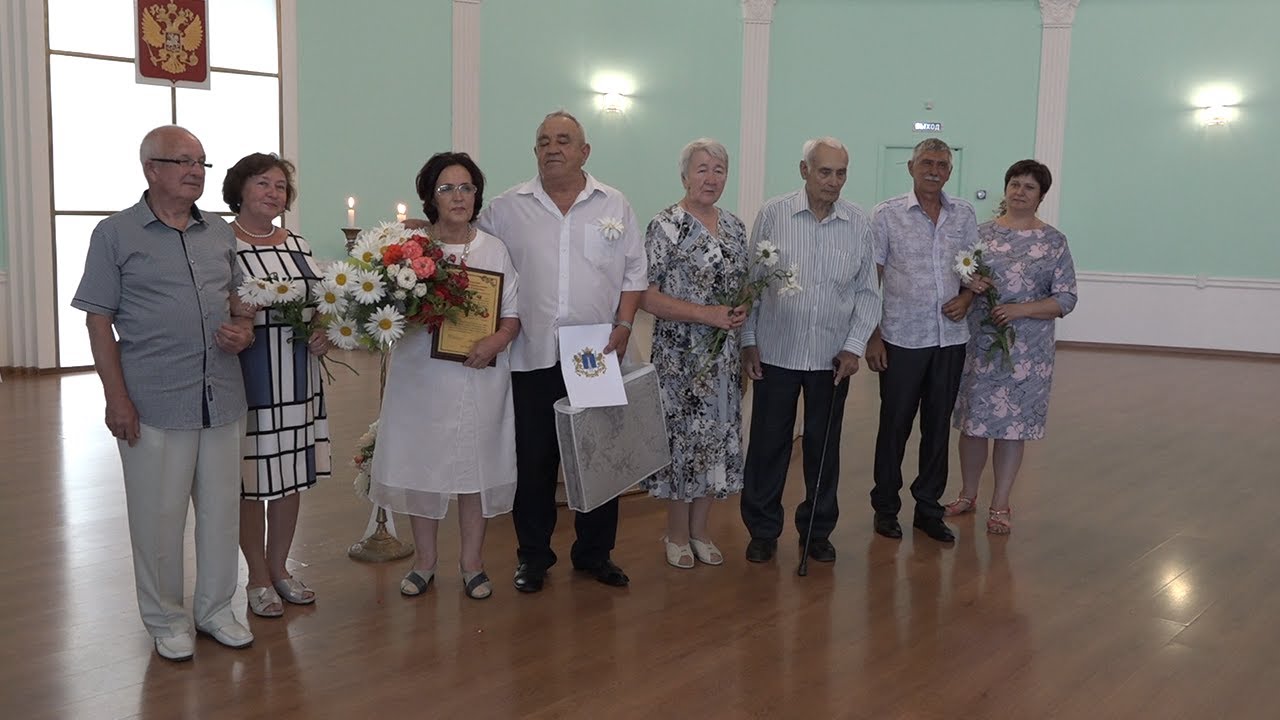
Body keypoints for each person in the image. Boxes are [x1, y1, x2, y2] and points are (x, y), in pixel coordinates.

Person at [71, 125, 256, 661]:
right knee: (158, 519)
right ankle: (165, 619)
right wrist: (116, 398)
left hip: (222, 395)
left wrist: (244, 329)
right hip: (154, 400)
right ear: (151, 169)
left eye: (201, 162)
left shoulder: (218, 232)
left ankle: (216, 610)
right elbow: (98, 320)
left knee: (221, 511)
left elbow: (240, 300)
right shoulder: (115, 234)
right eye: (183, 161)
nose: (196, 171)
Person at [477, 111, 647, 592]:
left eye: (564, 140)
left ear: (584, 151)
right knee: (534, 461)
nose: (553, 148)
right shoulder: (507, 208)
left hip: (594, 353)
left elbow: (634, 273)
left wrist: (624, 324)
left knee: (598, 457)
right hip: (530, 353)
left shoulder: (614, 204)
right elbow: (473, 253)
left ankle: (595, 553)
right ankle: (533, 557)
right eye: (544, 141)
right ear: (535, 151)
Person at [371, 152, 521, 600]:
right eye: (447, 188)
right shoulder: (411, 249)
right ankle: (425, 562)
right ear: (430, 197)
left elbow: (511, 315)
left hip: (479, 374)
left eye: (467, 188)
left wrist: (496, 341)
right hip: (421, 376)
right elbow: (387, 309)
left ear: (477, 195)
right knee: (424, 465)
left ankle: (472, 563)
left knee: (476, 465)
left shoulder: (494, 249)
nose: (458, 197)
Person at [739, 137, 881, 564]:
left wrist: (853, 348)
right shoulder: (774, 214)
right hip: (776, 352)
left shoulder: (859, 223)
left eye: (841, 173)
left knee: (823, 449)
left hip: (831, 358)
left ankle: (817, 531)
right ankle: (763, 530)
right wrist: (748, 340)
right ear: (804, 171)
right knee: (768, 447)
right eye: (824, 172)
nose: (833, 181)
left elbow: (867, 294)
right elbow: (751, 283)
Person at [223, 153, 331, 616]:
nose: (273, 192)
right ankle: (257, 577)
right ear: (240, 189)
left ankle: (280, 568)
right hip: (248, 376)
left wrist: (323, 330)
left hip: (299, 378)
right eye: (263, 183)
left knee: (289, 477)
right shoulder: (222, 242)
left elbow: (321, 300)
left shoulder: (298, 244)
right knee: (249, 480)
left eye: (280, 186)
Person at [947, 159, 1078, 534]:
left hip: (1027, 354)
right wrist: (971, 286)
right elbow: (961, 278)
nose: (1020, 192)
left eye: (1029, 187)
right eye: (1015, 184)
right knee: (973, 425)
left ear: (1041, 196)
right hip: (981, 345)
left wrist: (1022, 309)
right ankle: (967, 494)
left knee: (1011, 429)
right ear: (1005, 189)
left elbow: (1066, 298)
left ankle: (1000, 503)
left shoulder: (1053, 242)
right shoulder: (980, 235)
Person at [640, 139, 749, 569]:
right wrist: (705, 314)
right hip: (680, 360)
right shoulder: (665, 226)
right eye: (702, 169)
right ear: (685, 176)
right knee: (683, 443)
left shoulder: (736, 227)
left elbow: (741, 287)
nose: (711, 178)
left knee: (715, 441)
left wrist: (741, 310)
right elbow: (647, 296)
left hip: (723, 359)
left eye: (719, 170)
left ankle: (702, 531)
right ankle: (677, 533)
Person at [864, 138, 980, 544]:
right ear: (911, 167)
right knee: (894, 425)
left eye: (942, 164)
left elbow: (974, 271)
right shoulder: (886, 215)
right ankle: (885, 508)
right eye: (927, 162)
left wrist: (966, 299)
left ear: (950, 171)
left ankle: (928, 509)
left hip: (950, 340)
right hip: (901, 338)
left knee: (937, 427)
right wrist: (872, 336)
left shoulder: (964, 214)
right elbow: (870, 280)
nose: (934, 170)